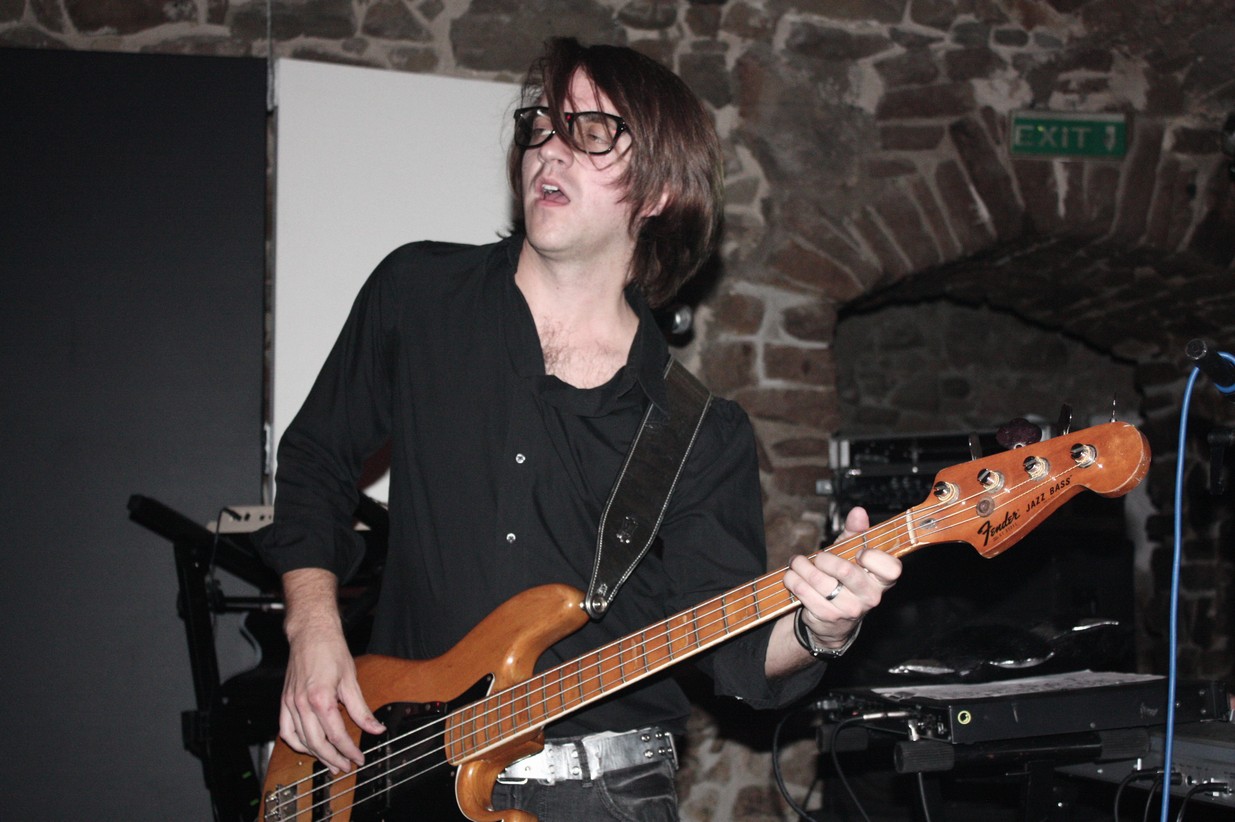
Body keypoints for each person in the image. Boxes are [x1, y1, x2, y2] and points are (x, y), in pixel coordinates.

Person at [259, 37, 902, 821]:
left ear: (659, 191)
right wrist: (313, 631)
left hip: (599, 794)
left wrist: (819, 628)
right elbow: (317, 458)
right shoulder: (418, 294)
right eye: (541, 125)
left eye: (591, 132)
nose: (549, 150)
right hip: (403, 772)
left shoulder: (697, 431)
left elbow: (734, 653)